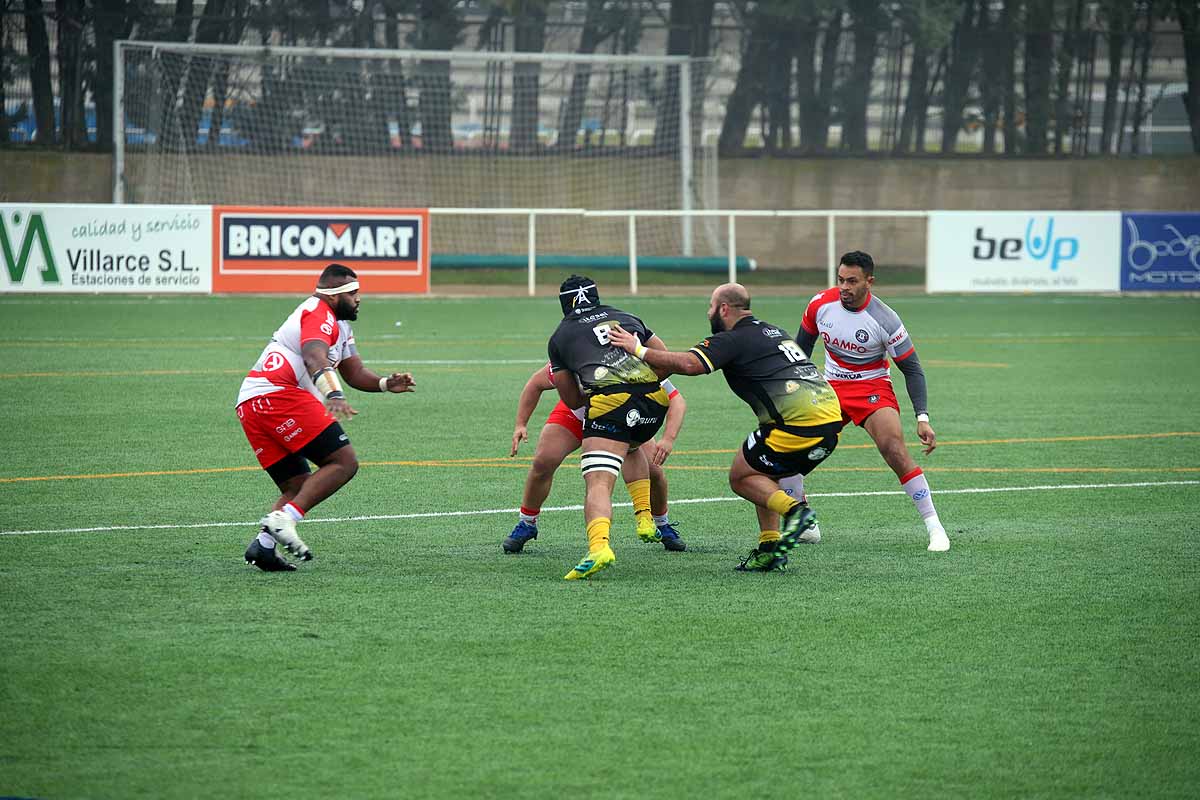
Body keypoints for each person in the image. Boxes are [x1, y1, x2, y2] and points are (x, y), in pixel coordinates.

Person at [608, 283, 843, 572]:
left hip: (798, 425)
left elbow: (689, 364)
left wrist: (637, 349)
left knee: (741, 477)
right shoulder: (774, 331)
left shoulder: (733, 338)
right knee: (761, 470)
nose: (709, 312)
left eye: (710, 306)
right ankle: (770, 548)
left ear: (723, 309)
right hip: (831, 421)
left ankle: (796, 512)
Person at [235, 263, 415, 571]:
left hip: (253, 402)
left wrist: (386, 383)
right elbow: (313, 356)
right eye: (353, 293)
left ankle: (264, 546)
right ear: (334, 296)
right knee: (344, 462)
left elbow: (355, 372)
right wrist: (333, 394)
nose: (359, 298)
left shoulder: (340, 325)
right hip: (277, 396)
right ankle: (285, 519)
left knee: (298, 487)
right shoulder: (319, 312)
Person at [794, 250, 950, 552]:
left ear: (870, 281)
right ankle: (805, 522)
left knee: (894, 449)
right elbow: (800, 350)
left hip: (872, 388)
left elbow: (912, 369)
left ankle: (936, 528)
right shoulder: (819, 305)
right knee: (792, 449)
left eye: (852, 281)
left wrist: (922, 417)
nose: (844, 288)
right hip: (831, 389)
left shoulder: (886, 319)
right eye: (840, 280)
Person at [547, 275, 673, 580]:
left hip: (611, 403)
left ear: (564, 304)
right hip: (655, 403)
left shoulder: (560, 337)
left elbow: (571, 397)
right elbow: (665, 358)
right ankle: (645, 516)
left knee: (599, 482)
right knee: (630, 446)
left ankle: (599, 547)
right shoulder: (627, 316)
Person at [505, 362, 687, 553]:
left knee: (654, 471)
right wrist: (520, 424)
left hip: (620, 417)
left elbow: (676, 398)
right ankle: (527, 523)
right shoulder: (572, 356)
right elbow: (536, 383)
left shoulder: (628, 359)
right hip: (579, 414)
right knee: (544, 461)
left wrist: (668, 439)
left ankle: (661, 524)